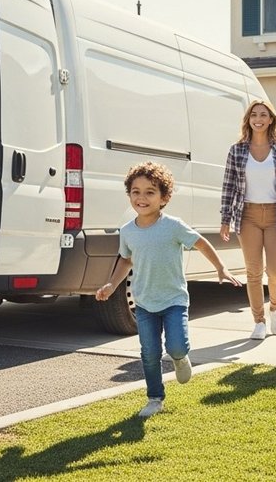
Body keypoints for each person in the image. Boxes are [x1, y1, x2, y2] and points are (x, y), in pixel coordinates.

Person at [96, 161, 241, 418]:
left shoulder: (173, 226)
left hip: (174, 300)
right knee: (149, 353)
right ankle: (155, 398)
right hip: (144, 303)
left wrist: (220, 268)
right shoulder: (127, 231)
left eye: (150, 192)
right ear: (129, 194)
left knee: (176, 346)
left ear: (164, 198)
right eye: (136, 192)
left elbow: (201, 243)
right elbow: (126, 260)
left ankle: (180, 358)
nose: (142, 198)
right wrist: (111, 284)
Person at [220, 99, 276, 340]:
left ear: (271, 119)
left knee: (275, 272)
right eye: (254, 115)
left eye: (263, 114)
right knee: (253, 272)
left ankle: (275, 309)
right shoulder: (237, 150)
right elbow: (229, 186)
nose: (258, 119)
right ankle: (259, 321)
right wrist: (225, 219)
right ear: (248, 119)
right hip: (248, 216)